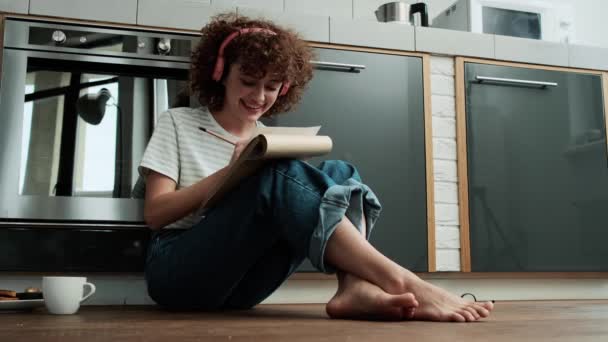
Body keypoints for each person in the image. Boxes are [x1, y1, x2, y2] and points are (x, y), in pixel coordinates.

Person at [138, 13, 494, 322]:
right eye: (248, 82)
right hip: (178, 274)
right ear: (220, 73)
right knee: (276, 176)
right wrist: (230, 176)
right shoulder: (179, 122)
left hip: (242, 287)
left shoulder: (266, 138)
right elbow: (155, 214)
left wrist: (253, 173)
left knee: (340, 173)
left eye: (272, 87)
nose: (259, 97)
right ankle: (402, 280)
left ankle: (353, 285)